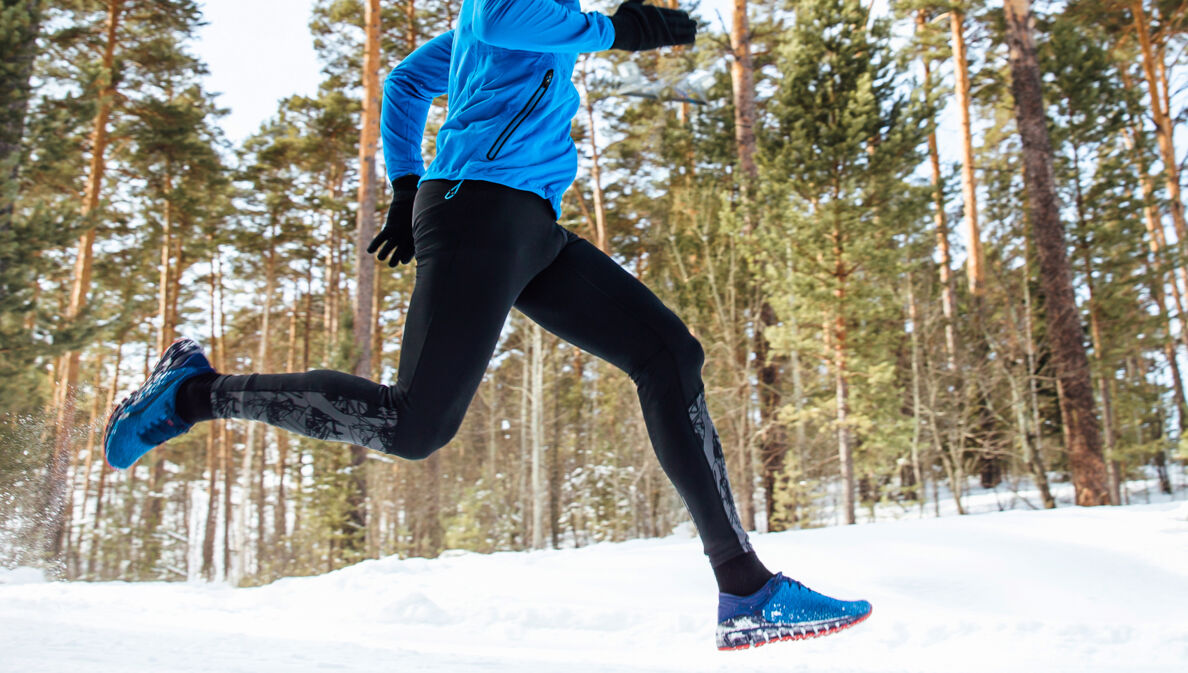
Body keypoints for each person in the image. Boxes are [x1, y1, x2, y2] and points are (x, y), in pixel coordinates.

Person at [103, 0, 871, 650]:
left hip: (529, 225)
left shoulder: (541, 18)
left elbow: (407, 81)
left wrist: (406, 184)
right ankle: (193, 392)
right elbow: (504, 17)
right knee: (414, 426)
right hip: (480, 210)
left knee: (669, 353)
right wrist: (622, 31)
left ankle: (745, 589)